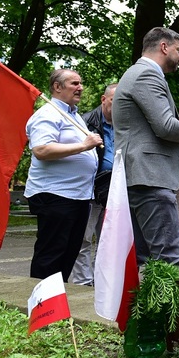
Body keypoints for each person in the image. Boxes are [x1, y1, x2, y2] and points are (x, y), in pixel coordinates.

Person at [113, 27, 179, 266]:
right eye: (178, 50)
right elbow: (165, 126)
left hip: (141, 176)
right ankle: (164, 305)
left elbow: (151, 124)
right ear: (164, 47)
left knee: (146, 257)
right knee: (167, 255)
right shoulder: (146, 75)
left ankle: (148, 304)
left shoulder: (137, 73)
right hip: (150, 177)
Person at [24, 69, 103, 282]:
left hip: (77, 196)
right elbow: (41, 150)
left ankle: (57, 302)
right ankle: (41, 305)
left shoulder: (73, 114)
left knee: (69, 252)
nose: (81, 87)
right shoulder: (47, 115)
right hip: (55, 195)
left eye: (80, 83)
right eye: (74, 83)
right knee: (51, 253)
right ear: (57, 87)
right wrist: (84, 146)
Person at [70, 82, 117, 286]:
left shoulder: (127, 124)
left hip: (115, 191)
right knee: (84, 238)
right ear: (104, 99)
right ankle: (82, 281)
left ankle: (100, 281)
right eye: (115, 101)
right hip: (91, 189)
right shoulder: (85, 122)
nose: (119, 106)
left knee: (109, 239)